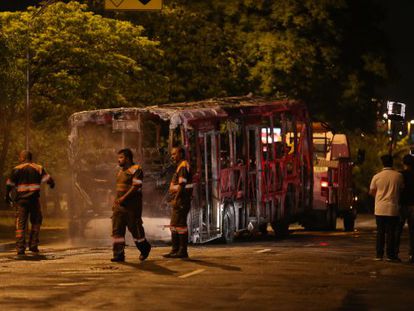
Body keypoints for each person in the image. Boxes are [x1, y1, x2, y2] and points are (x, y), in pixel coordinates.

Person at [5, 151, 55, 256]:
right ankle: (33, 245)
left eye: (20, 157)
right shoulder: (38, 168)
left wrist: (7, 196)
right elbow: (49, 179)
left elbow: (9, 184)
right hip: (34, 200)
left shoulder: (17, 169)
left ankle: (20, 248)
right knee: (36, 222)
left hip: (21, 201)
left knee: (21, 224)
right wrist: (51, 184)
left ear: (23, 157)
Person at [111, 148, 151, 262]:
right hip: (119, 207)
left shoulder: (136, 169)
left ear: (128, 158)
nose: (118, 160)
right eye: (118, 158)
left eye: (121, 157)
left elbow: (136, 186)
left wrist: (123, 198)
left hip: (132, 207)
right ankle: (118, 254)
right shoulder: (120, 172)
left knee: (136, 231)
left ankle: (145, 248)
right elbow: (119, 190)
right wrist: (116, 202)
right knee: (117, 230)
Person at [369, 154, 404, 262]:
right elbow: (402, 189)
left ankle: (379, 255)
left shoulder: (377, 176)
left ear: (382, 163)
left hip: (380, 208)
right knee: (391, 232)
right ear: (392, 162)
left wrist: (380, 197)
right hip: (393, 208)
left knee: (380, 232)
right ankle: (390, 255)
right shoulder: (398, 176)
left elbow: (371, 191)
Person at [163, 147, 192, 259]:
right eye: (172, 154)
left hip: (181, 200)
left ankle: (181, 251)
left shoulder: (183, 166)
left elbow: (182, 184)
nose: (172, 156)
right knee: (175, 225)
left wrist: (176, 199)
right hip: (180, 199)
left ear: (180, 154)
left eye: (174, 154)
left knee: (179, 226)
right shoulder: (181, 166)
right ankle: (176, 250)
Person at [396, 154, 414, 263]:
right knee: (412, 232)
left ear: (404, 163)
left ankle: (394, 253)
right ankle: (412, 255)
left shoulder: (400, 175)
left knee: (398, 230)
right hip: (413, 205)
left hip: (402, 205)